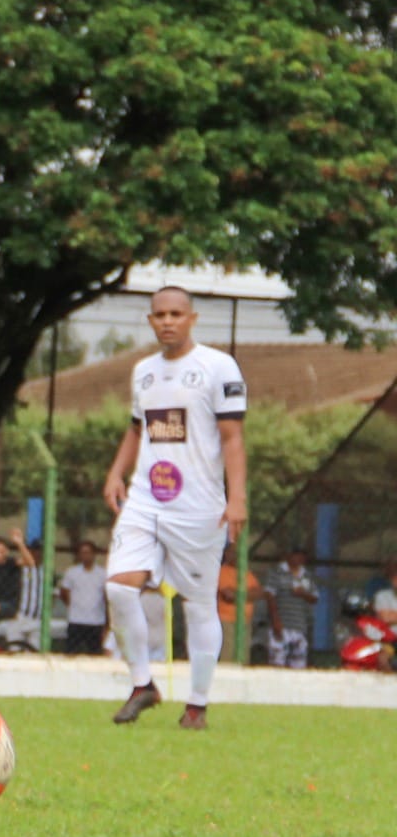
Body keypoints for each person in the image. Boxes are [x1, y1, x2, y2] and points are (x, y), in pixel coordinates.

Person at [103, 286, 247, 731]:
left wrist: (237, 495)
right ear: (150, 321)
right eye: (159, 314)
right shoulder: (143, 372)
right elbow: (135, 428)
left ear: (192, 318)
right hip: (146, 498)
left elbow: (232, 438)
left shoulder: (217, 367)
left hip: (199, 508)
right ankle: (143, 685)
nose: (168, 321)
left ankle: (197, 706)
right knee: (120, 587)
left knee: (198, 605)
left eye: (176, 314)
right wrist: (115, 473)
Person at [264, 547, 318, 669]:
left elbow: (315, 598)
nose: (299, 559)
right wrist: (275, 620)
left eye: (302, 556)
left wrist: (303, 594)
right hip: (282, 624)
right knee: (277, 662)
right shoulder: (277, 572)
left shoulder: (307, 575)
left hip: (300, 626)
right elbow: (269, 596)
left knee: (298, 664)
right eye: (296, 555)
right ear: (289, 556)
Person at [58, 540, 108, 655]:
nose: (86, 555)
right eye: (83, 553)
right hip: (76, 620)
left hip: (96, 621)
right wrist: (73, 605)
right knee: (71, 653)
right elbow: (64, 592)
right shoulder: (72, 572)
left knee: (95, 654)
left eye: (88, 552)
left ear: (94, 554)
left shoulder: (102, 574)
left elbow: (106, 596)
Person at [217, 544, 262, 662]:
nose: (236, 556)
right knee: (227, 655)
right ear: (226, 554)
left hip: (244, 621)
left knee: (243, 656)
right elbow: (228, 596)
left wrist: (238, 593)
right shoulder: (221, 572)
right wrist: (248, 593)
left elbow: (259, 593)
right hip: (226, 621)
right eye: (233, 552)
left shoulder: (246, 573)